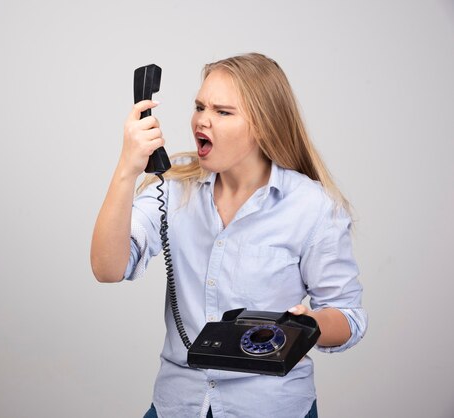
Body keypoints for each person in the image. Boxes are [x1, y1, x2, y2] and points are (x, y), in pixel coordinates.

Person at [90, 53, 367, 418]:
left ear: (263, 126)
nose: (202, 120)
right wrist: (127, 168)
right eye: (200, 106)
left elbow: (349, 316)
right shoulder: (173, 190)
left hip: (270, 407)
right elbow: (107, 268)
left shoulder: (312, 206)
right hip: (179, 404)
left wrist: (310, 325)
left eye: (223, 112)